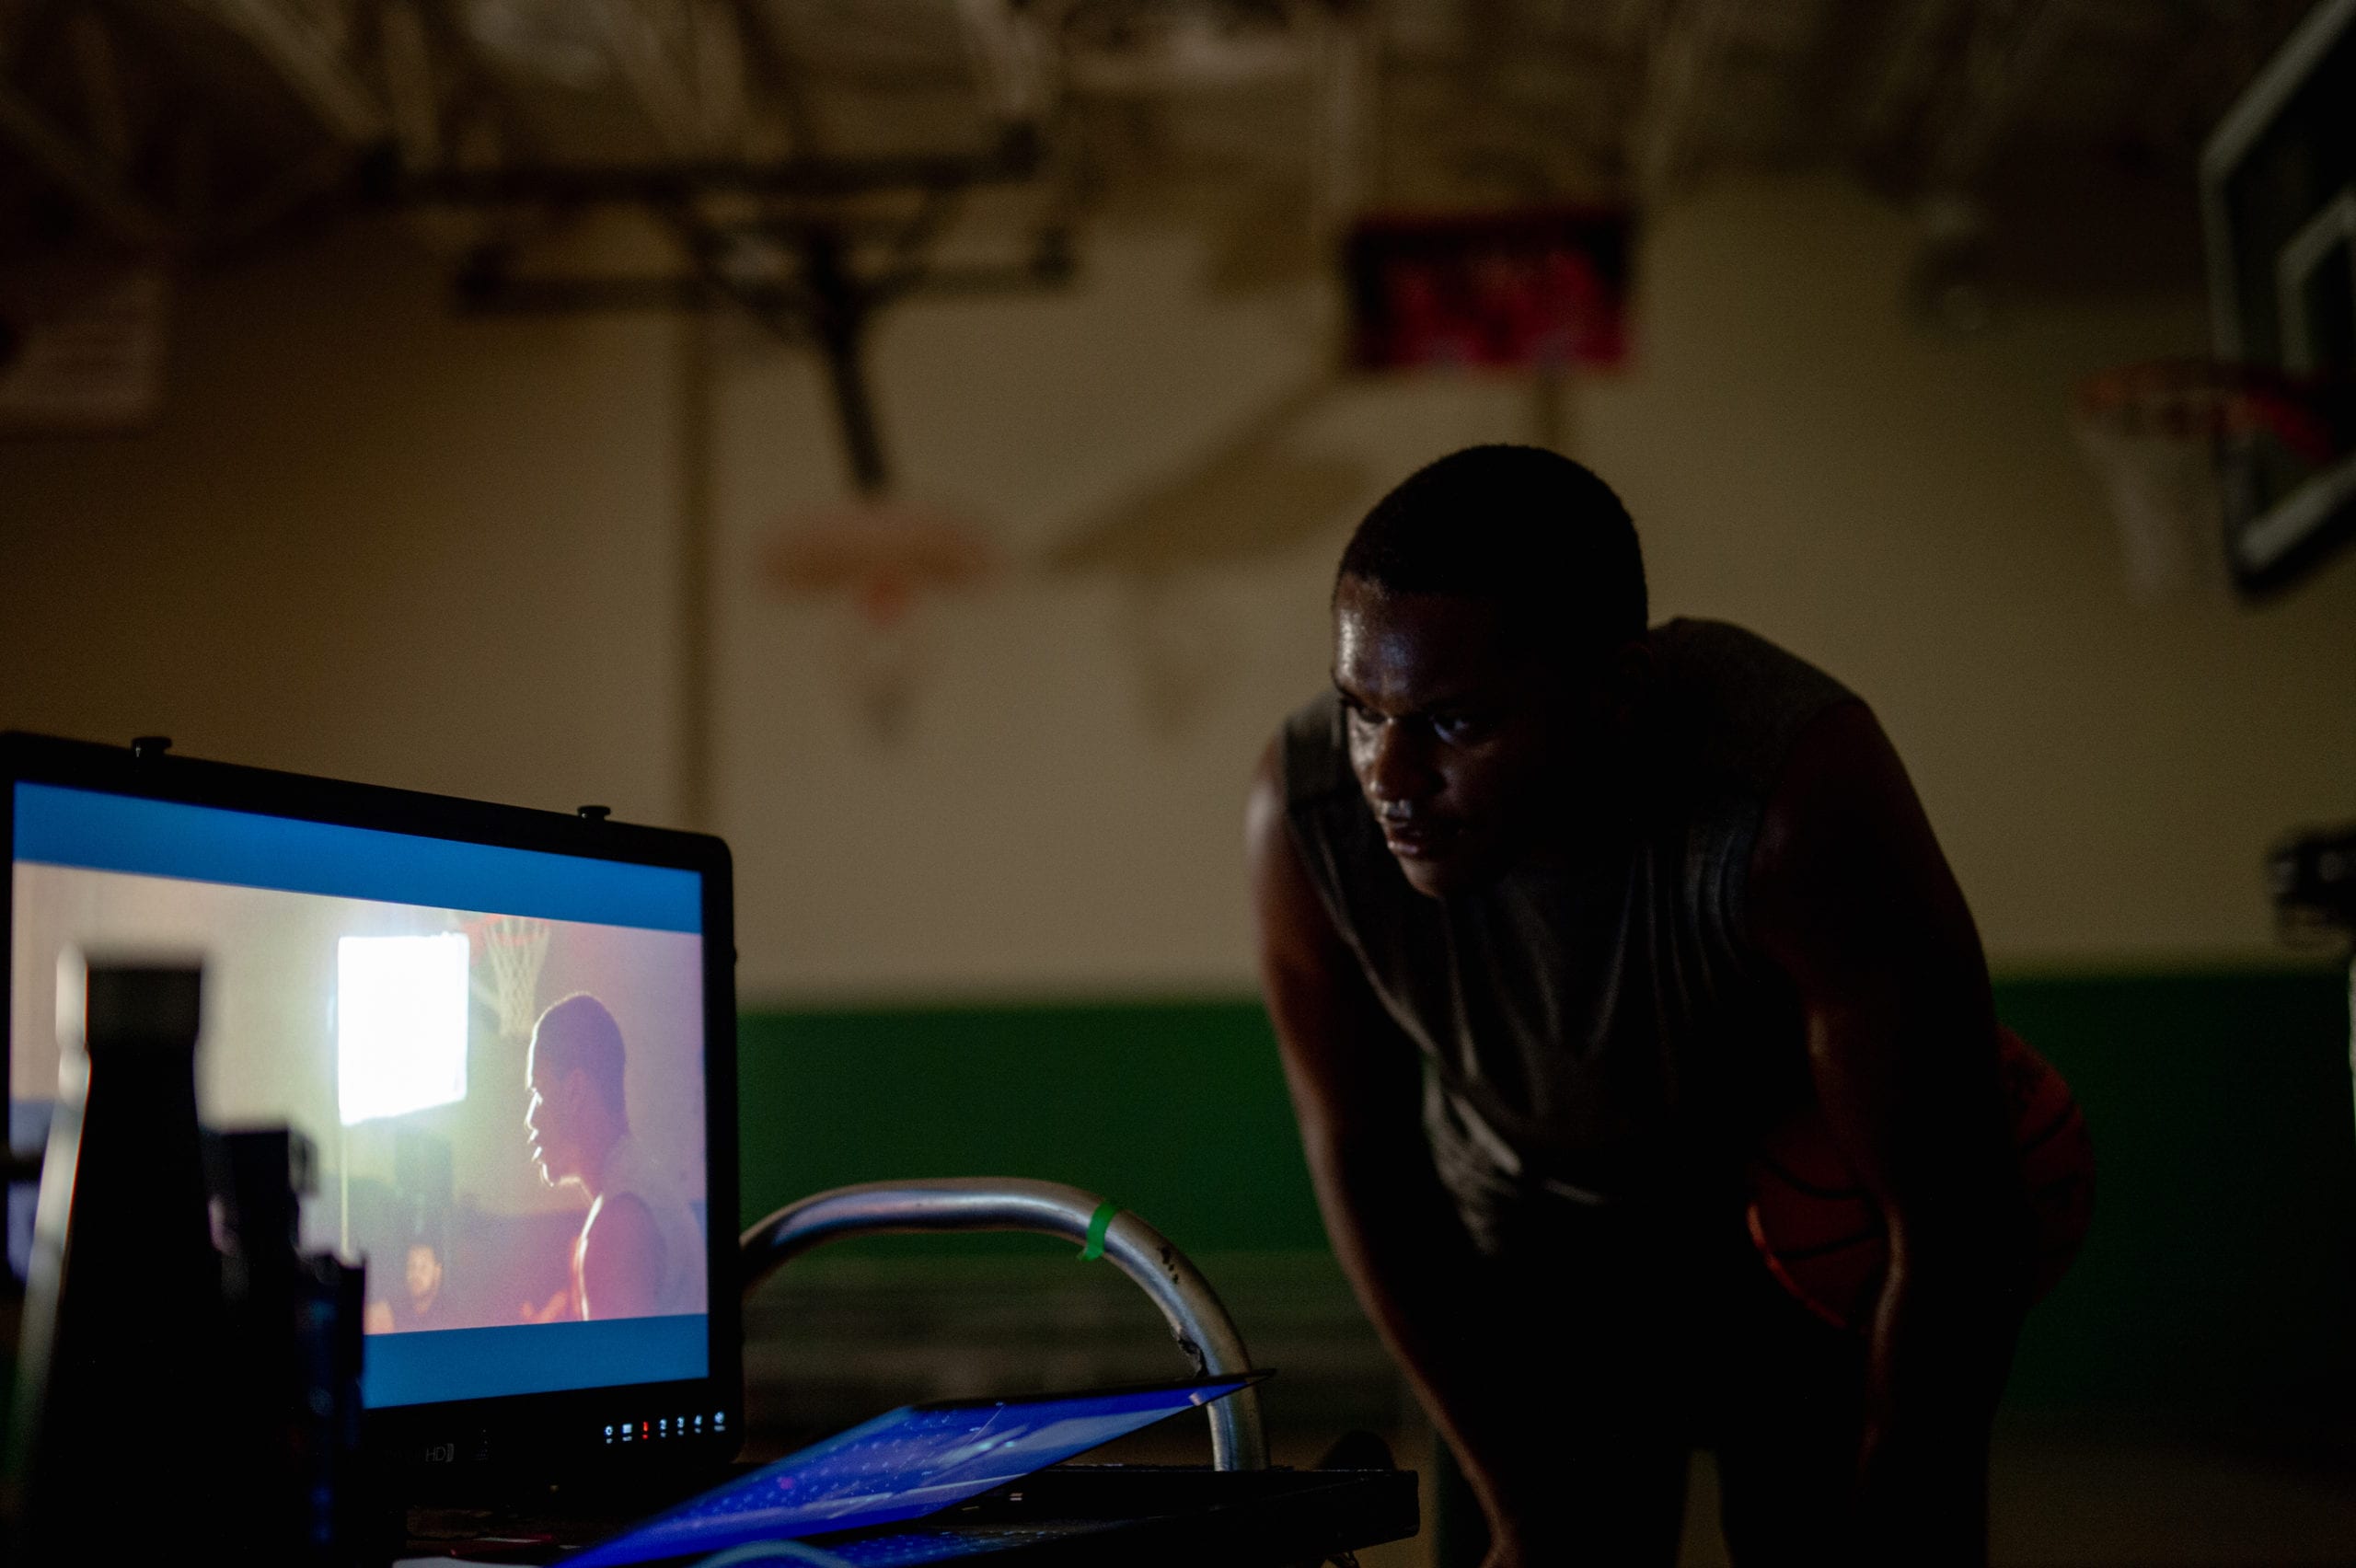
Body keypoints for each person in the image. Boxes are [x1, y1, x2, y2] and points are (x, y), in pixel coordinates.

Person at [1245, 446, 2034, 1565]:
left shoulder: (1788, 799)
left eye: (1455, 723)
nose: (1390, 775)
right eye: (1362, 711)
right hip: (1524, 1253)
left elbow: (1951, 1213)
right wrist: (1514, 1490)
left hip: (1789, 1244)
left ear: (1612, 694)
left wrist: (1909, 1477)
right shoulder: (1309, 813)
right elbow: (1362, 1156)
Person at [519, 992, 707, 1322]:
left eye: (537, 1091)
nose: (530, 1118)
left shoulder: (620, 1221)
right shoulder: (640, 1185)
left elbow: (627, 1371)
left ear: (574, 1090)